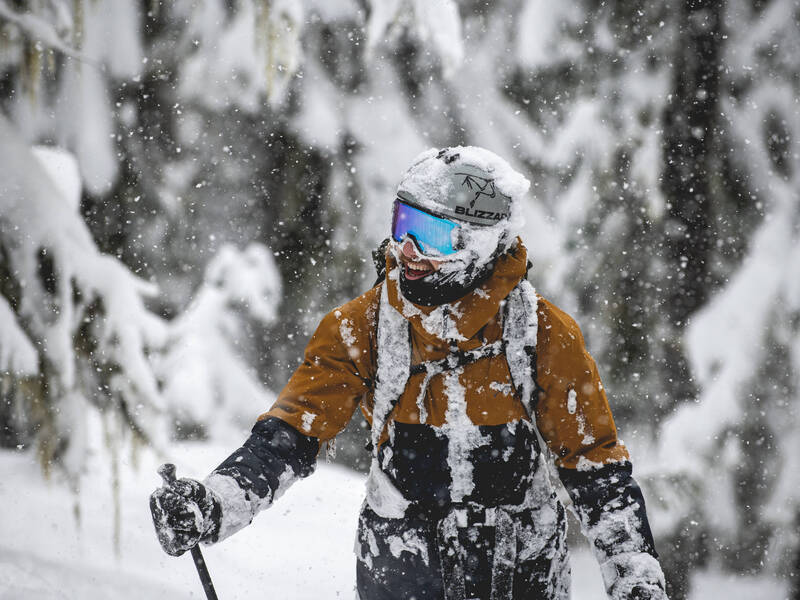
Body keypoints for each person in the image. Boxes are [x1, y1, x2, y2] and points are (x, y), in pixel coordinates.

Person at [150, 147, 668, 600]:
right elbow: (289, 436)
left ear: (480, 243)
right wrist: (213, 504)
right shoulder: (363, 328)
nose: (409, 252)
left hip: (521, 573)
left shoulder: (541, 335)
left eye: (432, 235)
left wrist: (635, 579)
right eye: (403, 226)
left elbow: (596, 472)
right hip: (401, 570)